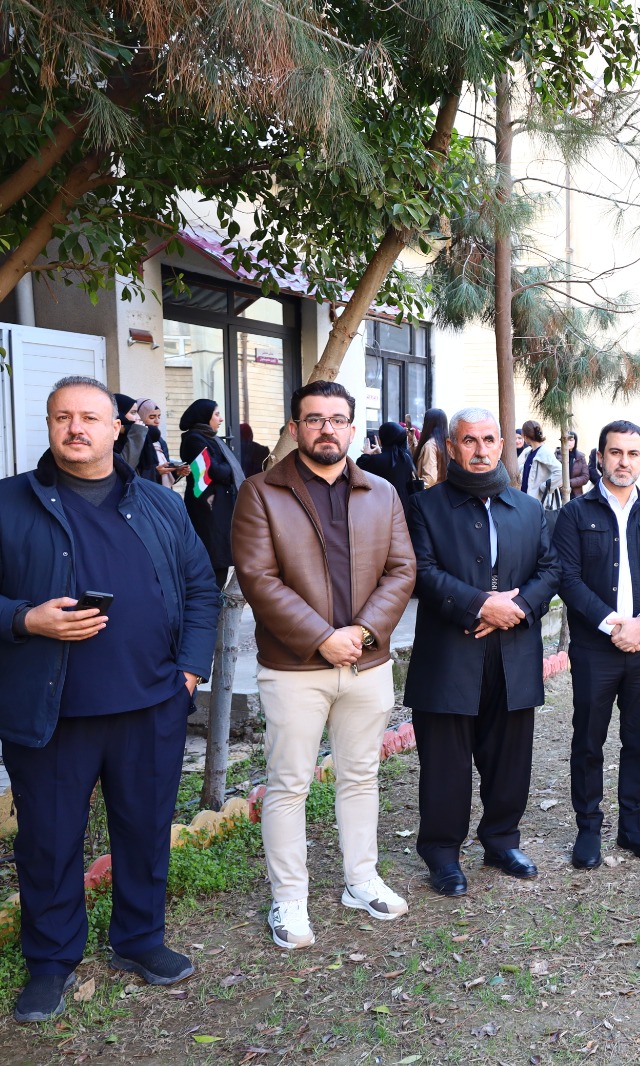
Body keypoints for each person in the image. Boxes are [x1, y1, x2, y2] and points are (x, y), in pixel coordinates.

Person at [0, 376, 217, 1023]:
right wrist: (24, 619)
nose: (75, 428)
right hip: (52, 714)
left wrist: (190, 672)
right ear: (49, 425)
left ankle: (140, 940)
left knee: (145, 833)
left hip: (151, 706)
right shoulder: (4, 503)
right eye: (62, 417)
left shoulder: (160, 503)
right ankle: (51, 962)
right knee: (49, 841)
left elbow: (201, 589)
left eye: (90, 417)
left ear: (117, 428)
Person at [232, 380, 417, 950]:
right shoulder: (261, 493)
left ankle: (361, 880)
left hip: (366, 662)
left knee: (360, 777)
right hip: (294, 667)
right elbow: (258, 578)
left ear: (352, 428)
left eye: (337, 419)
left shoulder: (382, 492)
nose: (326, 429)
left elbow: (402, 570)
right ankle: (289, 899)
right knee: (289, 784)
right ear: (295, 428)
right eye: (314, 419)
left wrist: (360, 634)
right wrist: (322, 639)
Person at [405, 407, 559, 891]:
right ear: (451, 447)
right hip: (449, 654)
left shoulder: (529, 509)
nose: (480, 450)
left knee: (510, 757)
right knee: (445, 763)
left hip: (514, 651)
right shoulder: (424, 506)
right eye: (469, 441)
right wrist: (480, 605)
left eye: (489, 440)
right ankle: (442, 853)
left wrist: (517, 607)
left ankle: (501, 840)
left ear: (502, 445)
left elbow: (550, 570)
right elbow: (421, 572)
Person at [554, 420, 640, 868]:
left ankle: (633, 826)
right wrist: (613, 625)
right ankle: (588, 828)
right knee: (589, 740)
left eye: (632, 454)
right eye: (615, 452)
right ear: (600, 457)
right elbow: (567, 578)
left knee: (639, 739)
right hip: (595, 648)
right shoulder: (575, 514)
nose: (623, 461)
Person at [177, 399, 245, 589]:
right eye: (216, 414)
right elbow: (215, 471)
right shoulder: (194, 440)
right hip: (208, 507)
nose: (221, 419)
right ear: (204, 416)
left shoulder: (210, 439)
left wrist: (225, 468)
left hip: (217, 505)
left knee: (220, 559)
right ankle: (210, 604)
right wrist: (229, 468)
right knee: (214, 561)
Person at [357, 421, 418, 502]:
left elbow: (357, 473)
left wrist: (366, 455)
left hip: (384, 504)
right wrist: (380, 453)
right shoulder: (406, 457)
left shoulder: (375, 460)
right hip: (404, 503)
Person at [132, 399, 180, 485]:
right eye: (152, 417)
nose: (157, 421)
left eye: (159, 417)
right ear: (140, 417)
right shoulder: (135, 440)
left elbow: (165, 473)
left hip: (161, 490)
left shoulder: (160, 442)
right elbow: (133, 473)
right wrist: (156, 472)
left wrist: (178, 473)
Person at [519, 420, 562, 507]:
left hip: (538, 503)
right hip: (526, 500)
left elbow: (560, 471)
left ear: (525, 436)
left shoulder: (544, 451)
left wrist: (544, 487)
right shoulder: (530, 452)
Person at [415, 408, 449, 490]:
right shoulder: (446, 443)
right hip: (444, 491)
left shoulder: (430, 445)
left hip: (431, 492)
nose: (422, 424)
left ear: (429, 424)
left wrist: (419, 490)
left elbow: (430, 478)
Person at [567, 429, 589, 497]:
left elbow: (585, 477)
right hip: (559, 494)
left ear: (575, 441)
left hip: (575, 494)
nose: (568, 442)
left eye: (571, 440)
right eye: (566, 440)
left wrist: (569, 483)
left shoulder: (580, 457)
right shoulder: (557, 455)